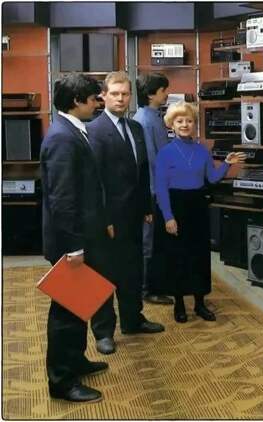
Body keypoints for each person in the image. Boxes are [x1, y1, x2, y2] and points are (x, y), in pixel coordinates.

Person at [40, 74, 110, 402]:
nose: (98, 103)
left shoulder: (71, 130)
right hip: (70, 242)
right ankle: (62, 381)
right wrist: (74, 247)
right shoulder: (62, 138)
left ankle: (76, 360)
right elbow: (62, 199)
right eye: (94, 99)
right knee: (66, 312)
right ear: (77, 101)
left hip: (81, 237)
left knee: (79, 305)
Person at [88, 72, 165, 355]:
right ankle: (103, 332)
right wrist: (104, 218)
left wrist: (146, 207)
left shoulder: (135, 127)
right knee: (104, 274)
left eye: (125, 94)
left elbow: (142, 171)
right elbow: (94, 181)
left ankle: (133, 320)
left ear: (131, 96)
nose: (120, 99)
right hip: (109, 219)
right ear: (103, 96)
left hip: (134, 214)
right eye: (115, 94)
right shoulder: (94, 130)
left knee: (132, 271)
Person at [153, 101, 246, 323]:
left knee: (200, 257)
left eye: (189, 121)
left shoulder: (202, 150)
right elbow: (160, 188)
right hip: (175, 206)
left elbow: (212, 178)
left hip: (198, 207)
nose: (185, 125)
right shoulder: (165, 153)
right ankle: (179, 304)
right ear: (171, 125)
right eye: (180, 121)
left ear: (195, 124)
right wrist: (168, 217)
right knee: (178, 257)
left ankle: (200, 303)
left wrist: (226, 164)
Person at [133, 73, 173, 305]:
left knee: (154, 240)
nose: (166, 94)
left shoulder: (151, 117)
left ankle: (151, 286)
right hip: (152, 190)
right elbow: (151, 159)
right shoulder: (145, 120)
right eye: (163, 90)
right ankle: (147, 290)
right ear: (151, 94)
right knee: (149, 242)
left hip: (156, 188)